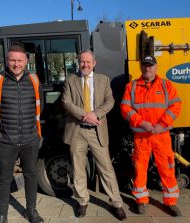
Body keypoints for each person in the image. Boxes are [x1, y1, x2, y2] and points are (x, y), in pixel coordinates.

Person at [0, 44, 44, 223]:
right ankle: (1, 215)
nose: (16, 64)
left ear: (26, 61)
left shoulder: (34, 80)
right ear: (7, 60)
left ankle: (31, 211)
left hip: (30, 139)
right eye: (12, 60)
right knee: (4, 178)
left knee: (31, 175)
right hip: (5, 141)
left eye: (19, 60)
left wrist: (34, 133)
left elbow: (40, 107)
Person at [62, 50, 127, 221]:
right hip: (77, 130)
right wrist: (85, 115)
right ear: (78, 62)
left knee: (106, 168)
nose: (85, 65)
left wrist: (95, 114)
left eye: (88, 62)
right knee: (78, 168)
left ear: (94, 63)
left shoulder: (103, 80)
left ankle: (116, 203)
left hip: (97, 131)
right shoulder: (71, 79)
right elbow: (66, 101)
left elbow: (110, 101)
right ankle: (82, 201)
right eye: (82, 62)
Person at [120, 55, 182, 216]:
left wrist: (162, 124)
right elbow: (125, 108)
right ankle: (141, 200)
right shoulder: (131, 87)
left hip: (161, 135)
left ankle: (171, 202)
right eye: (145, 65)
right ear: (141, 67)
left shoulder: (166, 85)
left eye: (151, 65)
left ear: (156, 67)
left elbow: (176, 105)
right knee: (140, 169)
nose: (148, 68)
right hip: (141, 137)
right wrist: (141, 122)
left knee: (167, 168)